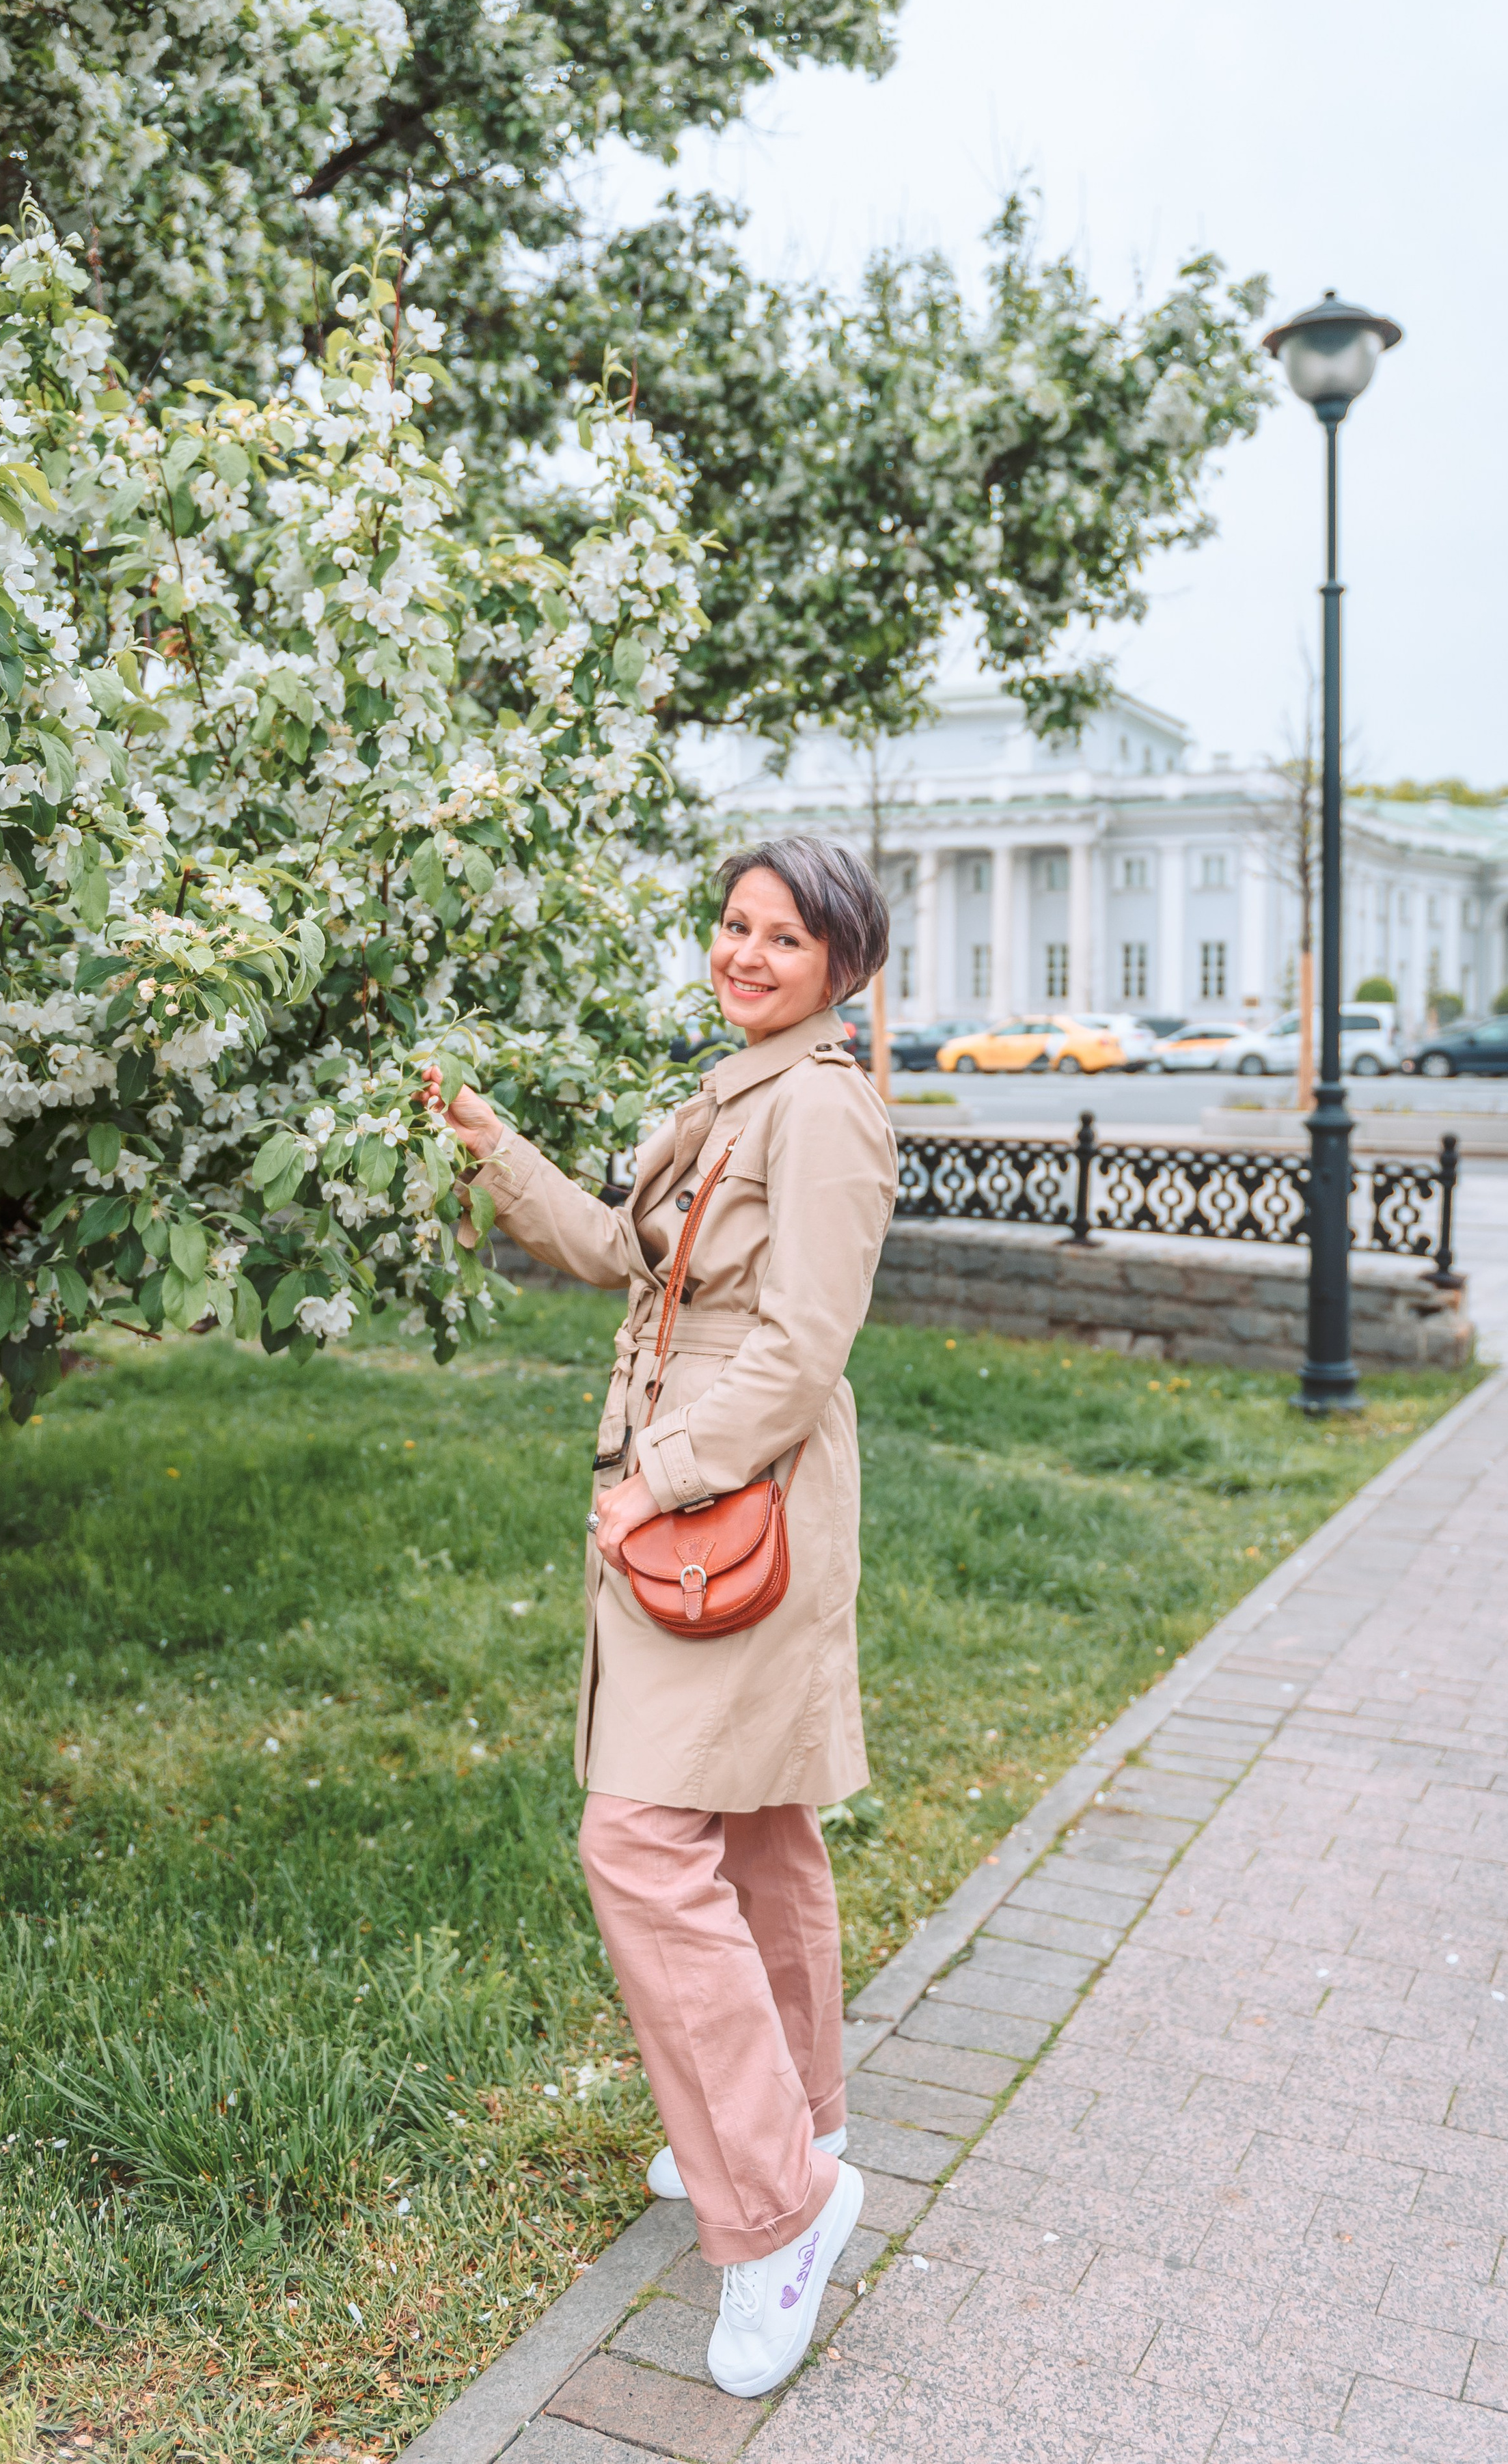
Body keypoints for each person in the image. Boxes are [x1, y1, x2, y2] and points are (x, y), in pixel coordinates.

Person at [423, 835, 898, 2398]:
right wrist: (497, 1149)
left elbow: (803, 1344)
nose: (744, 953)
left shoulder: (818, 1110)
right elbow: (635, 1263)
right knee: (755, 1829)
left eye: (782, 936)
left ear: (843, 962)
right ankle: (802, 2117)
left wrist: (655, 1480)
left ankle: (775, 2211)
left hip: (726, 1508)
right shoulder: (737, 1088)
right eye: (731, 925)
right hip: (704, 1498)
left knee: (639, 1842)